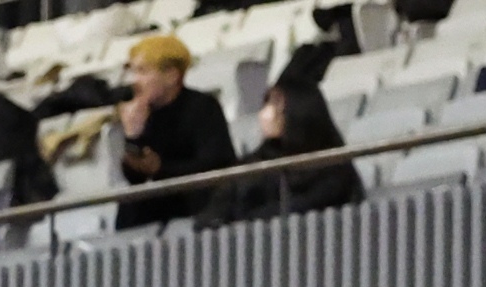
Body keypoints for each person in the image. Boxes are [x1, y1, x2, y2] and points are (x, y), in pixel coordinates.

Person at [198, 79, 362, 226]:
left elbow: (303, 210)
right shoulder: (252, 166)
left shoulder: (332, 167)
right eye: (267, 104)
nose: (265, 114)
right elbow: (213, 213)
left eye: (276, 104)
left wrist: (246, 219)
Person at [115, 36, 237, 231]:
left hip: (197, 200)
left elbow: (215, 164)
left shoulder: (203, 107)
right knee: (130, 204)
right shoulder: (145, 112)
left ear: (172, 75)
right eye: (134, 72)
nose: (135, 81)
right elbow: (135, 178)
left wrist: (161, 168)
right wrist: (133, 136)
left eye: (143, 71)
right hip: (160, 201)